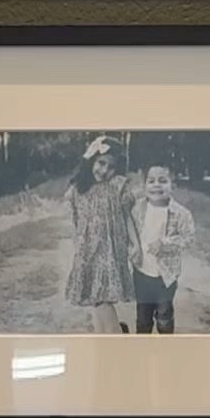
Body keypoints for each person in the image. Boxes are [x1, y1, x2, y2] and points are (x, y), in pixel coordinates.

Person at [62, 134, 133, 330]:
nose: (104, 171)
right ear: (91, 159)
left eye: (111, 167)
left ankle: (116, 337)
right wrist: (78, 246)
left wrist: (135, 244)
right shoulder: (78, 189)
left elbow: (128, 217)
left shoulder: (117, 187)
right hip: (88, 251)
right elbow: (74, 221)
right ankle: (104, 335)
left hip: (109, 251)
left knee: (102, 297)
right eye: (101, 163)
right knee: (96, 298)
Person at [129, 162, 196, 335]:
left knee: (164, 315)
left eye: (163, 181)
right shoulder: (137, 208)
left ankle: (165, 346)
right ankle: (142, 350)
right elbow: (129, 232)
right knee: (143, 317)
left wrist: (165, 243)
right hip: (141, 272)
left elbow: (189, 238)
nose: (156, 185)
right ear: (144, 185)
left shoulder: (181, 213)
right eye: (151, 181)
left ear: (172, 185)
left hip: (166, 276)